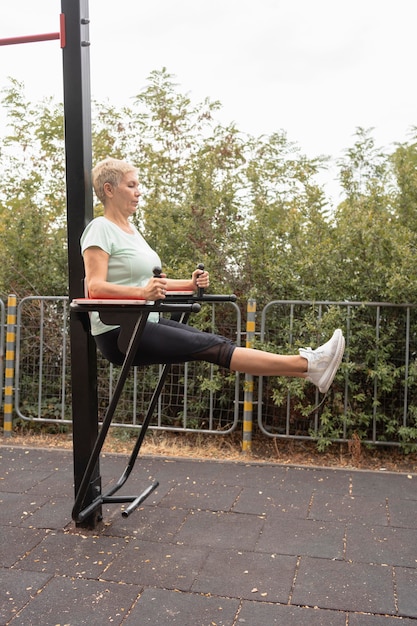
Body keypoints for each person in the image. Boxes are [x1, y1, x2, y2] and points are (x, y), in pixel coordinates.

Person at [81, 157, 345, 394]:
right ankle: (309, 363)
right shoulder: (100, 229)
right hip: (119, 332)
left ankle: (309, 369)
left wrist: (189, 284)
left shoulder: (132, 230)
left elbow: (153, 284)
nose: (138, 192)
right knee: (212, 346)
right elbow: (95, 287)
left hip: (145, 321)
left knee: (216, 344)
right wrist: (142, 293)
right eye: (131, 185)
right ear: (109, 189)